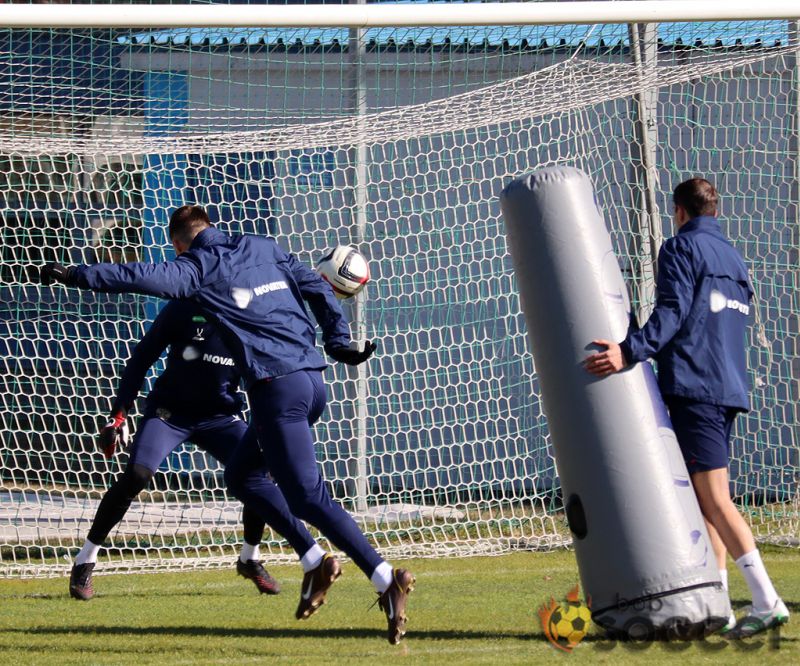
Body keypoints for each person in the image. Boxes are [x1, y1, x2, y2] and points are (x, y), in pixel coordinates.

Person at [41, 205, 415, 645]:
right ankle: (311, 564)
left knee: (307, 497)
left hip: (276, 392)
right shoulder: (265, 247)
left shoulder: (197, 267)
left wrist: (76, 274)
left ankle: (384, 576)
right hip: (311, 383)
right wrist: (337, 340)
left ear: (179, 243)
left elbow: (136, 275)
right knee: (242, 475)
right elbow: (316, 284)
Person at [585, 177, 788, 638]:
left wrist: (627, 351)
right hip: (729, 389)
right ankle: (720, 607)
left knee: (716, 500)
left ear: (679, 212)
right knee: (707, 502)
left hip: (696, 388)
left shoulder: (680, 249)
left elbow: (672, 314)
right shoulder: (734, 258)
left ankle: (766, 599)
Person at [70, 298, 325, 602]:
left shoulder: (253, 316)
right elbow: (142, 356)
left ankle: (249, 557)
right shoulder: (184, 307)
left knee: (258, 472)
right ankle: (85, 559)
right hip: (169, 414)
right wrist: (119, 414)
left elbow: (268, 372)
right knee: (137, 474)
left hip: (220, 418)